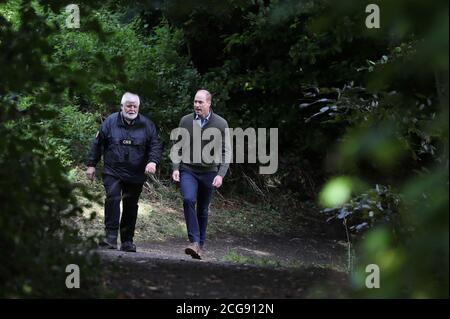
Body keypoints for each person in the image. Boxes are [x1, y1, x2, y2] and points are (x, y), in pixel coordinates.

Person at [86, 92, 162, 252]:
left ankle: (127, 241)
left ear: (138, 107)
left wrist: (152, 162)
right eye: (129, 105)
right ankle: (110, 239)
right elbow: (97, 143)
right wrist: (91, 164)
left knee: (130, 204)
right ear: (122, 106)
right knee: (112, 199)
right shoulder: (110, 122)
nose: (132, 109)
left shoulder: (147, 125)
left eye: (135, 106)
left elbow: (155, 145)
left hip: (136, 173)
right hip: (112, 171)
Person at [171, 89, 230, 259]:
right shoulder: (186, 121)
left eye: (200, 102)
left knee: (203, 209)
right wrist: (176, 168)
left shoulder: (221, 123)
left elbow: (227, 151)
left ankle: (200, 245)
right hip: (188, 169)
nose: (197, 105)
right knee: (189, 199)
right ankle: (194, 241)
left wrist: (221, 174)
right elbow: (177, 146)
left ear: (209, 103)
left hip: (209, 171)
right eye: (195, 102)